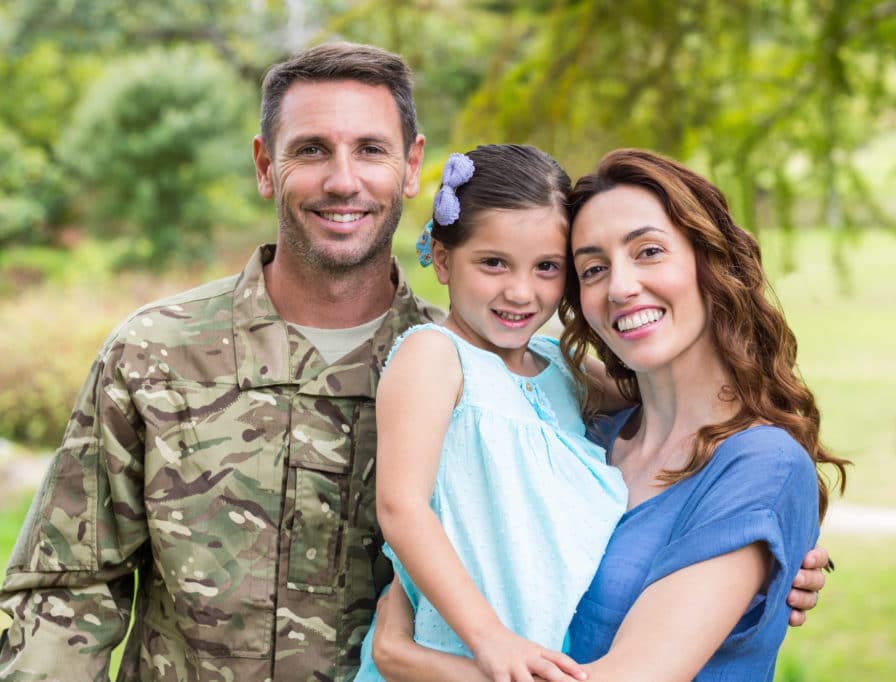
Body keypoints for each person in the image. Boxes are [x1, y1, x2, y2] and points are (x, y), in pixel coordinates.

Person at [0, 42, 828, 680]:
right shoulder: (156, 354)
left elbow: (699, 449)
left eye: (369, 150)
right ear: (265, 166)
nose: (342, 179)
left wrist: (786, 550)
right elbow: (62, 587)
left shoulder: (513, 373)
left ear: (410, 169)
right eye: (310, 150)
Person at [370, 148, 850, 682]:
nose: (620, 287)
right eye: (594, 268)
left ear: (709, 260)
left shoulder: (758, 464)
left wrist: (409, 662)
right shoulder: (591, 432)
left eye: (648, 251)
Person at [355, 145, 629, 682]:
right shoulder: (434, 356)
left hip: (542, 650)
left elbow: (673, 408)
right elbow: (402, 506)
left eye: (546, 267)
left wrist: (767, 523)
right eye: (494, 262)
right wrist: (490, 638)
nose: (520, 292)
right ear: (441, 256)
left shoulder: (561, 364)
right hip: (454, 650)